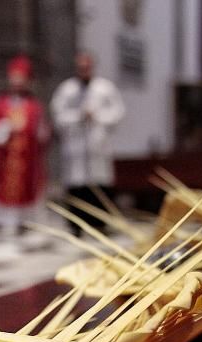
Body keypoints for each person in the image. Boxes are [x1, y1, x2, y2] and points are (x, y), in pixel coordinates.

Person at [50, 52, 126, 236]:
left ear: (92, 67)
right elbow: (58, 115)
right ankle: (76, 225)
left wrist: (97, 116)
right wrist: (78, 116)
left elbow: (118, 112)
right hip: (75, 149)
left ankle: (100, 224)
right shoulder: (67, 89)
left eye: (87, 67)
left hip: (97, 147)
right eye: (81, 67)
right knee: (77, 187)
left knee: (99, 187)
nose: (84, 70)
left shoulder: (105, 88)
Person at [0, 55, 49, 234]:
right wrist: (3, 129)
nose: (18, 82)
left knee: (27, 188)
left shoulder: (34, 106)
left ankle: (25, 222)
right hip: (5, 156)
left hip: (26, 157)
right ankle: (3, 222)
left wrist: (40, 133)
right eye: (15, 78)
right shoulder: (0, 104)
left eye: (22, 79)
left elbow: (42, 132)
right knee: (5, 188)